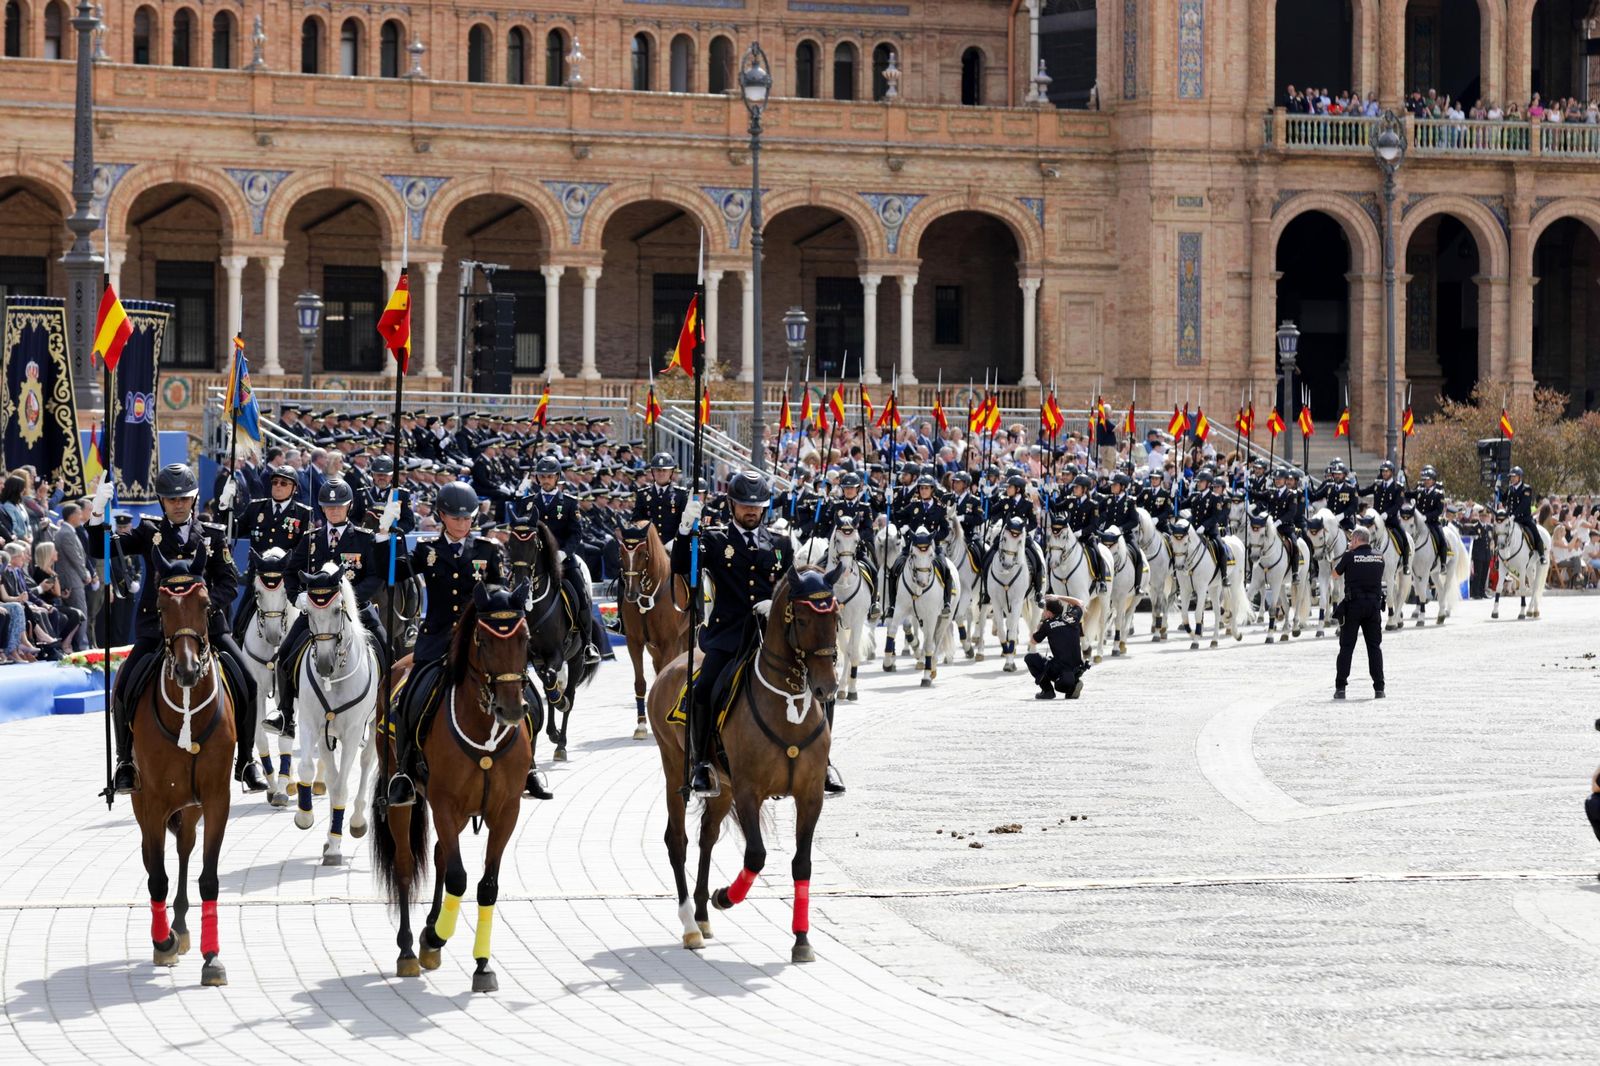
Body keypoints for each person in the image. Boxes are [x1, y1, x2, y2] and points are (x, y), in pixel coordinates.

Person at [87, 463, 269, 794]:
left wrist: (200, 606)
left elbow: (230, 583)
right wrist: (97, 514)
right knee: (125, 686)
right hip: (156, 627)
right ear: (161, 501)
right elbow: (101, 549)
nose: (178, 504)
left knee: (249, 682)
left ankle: (246, 760)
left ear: (194, 499)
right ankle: (125, 762)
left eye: (184, 498)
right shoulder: (149, 532)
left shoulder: (213, 535)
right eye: (171, 499)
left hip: (207, 627)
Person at [381, 480, 523, 807]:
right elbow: (393, 574)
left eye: (468, 518)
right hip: (437, 639)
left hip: (480, 639)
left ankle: (525, 765)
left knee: (519, 688)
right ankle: (403, 770)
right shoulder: (427, 550)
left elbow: (497, 594)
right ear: (441, 516)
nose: (462, 524)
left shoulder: (487, 550)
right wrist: (385, 535)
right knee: (406, 699)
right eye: (456, 518)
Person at [672, 470, 788, 797]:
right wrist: (685, 529)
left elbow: (790, 586)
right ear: (731, 505)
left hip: (771, 637)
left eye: (757, 506)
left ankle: (822, 762)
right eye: (744, 505)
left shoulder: (779, 543)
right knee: (703, 689)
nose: (751, 511)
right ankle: (701, 764)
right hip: (728, 636)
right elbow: (681, 565)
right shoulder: (713, 539)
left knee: (819, 682)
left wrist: (776, 605)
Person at [264, 477, 390, 740]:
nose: (334, 511)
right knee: (286, 654)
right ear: (322, 509)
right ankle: (285, 714)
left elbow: (376, 576)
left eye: (339, 506)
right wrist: (296, 597)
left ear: (349, 506)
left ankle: (382, 713)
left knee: (386, 650)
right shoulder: (311, 540)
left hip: (358, 611)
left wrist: (350, 600)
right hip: (317, 612)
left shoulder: (363, 539)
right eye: (329, 507)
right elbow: (290, 572)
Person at [511, 455, 602, 665]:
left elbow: (576, 533)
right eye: (542, 476)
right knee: (511, 590)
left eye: (549, 476)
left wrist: (563, 553)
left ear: (557, 477)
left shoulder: (568, 502)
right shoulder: (527, 502)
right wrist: (517, 497)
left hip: (562, 559)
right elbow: (519, 528)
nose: (545, 480)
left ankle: (588, 643)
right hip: (533, 561)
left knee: (579, 591)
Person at [219, 464, 313, 640]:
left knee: (305, 629)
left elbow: (304, 551)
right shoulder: (256, 508)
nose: (278, 486)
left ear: (294, 489)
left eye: (284, 483)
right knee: (240, 624)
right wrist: (225, 506)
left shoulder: (303, 514)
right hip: (259, 578)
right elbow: (233, 529)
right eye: (275, 482)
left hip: (286, 580)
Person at [1332, 526, 1385, 700]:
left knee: (1346, 647)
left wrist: (1347, 555)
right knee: (1374, 648)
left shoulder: (1349, 556)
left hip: (1353, 606)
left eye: (1351, 540)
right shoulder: (1379, 557)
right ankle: (1379, 688)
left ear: (1355, 540)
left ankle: (1341, 688)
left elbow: (1335, 574)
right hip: (1373, 607)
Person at [1024, 596, 1087, 700]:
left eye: (1044, 610)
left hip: (1060, 670)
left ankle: (1047, 691)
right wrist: (1058, 596)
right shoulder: (1072, 617)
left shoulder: (1047, 625)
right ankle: (1073, 683)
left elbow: (1033, 641)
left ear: (1049, 613)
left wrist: (1039, 627)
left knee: (1030, 658)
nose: (1043, 613)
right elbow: (1079, 602)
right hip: (1077, 667)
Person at [1500, 466, 1545, 560]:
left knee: (1535, 532)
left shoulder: (1526, 489)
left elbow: (1523, 505)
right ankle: (1498, 555)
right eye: (1511, 477)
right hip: (1511, 518)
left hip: (1524, 518)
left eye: (1514, 476)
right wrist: (1498, 490)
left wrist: (1513, 515)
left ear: (1519, 477)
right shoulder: (1510, 488)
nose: (1512, 479)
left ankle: (1541, 554)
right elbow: (1503, 499)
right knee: (1500, 532)